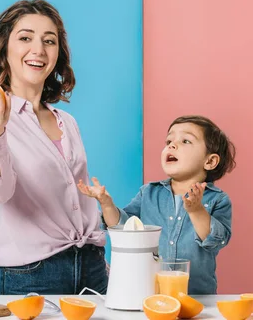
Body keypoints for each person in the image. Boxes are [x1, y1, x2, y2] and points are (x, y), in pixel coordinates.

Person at [0, 0, 108, 295]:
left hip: (92, 267)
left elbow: (77, 200)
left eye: (49, 41)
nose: (38, 50)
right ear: (5, 48)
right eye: (25, 37)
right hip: (31, 275)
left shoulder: (67, 121)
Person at [78, 115, 236, 295]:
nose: (172, 145)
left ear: (210, 161)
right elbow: (124, 228)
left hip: (197, 297)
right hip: (149, 294)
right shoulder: (148, 193)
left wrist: (196, 210)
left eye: (185, 140)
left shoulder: (218, 200)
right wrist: (106, 204)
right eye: (169, 140)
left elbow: (215, 241)